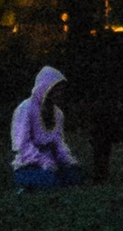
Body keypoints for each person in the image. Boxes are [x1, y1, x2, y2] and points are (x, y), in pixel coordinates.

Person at [10, 61, 84, 191]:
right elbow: (22, 144)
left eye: (61, 90)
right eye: (56, 90)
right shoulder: (25, 109)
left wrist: (68, 161)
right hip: (28, 165)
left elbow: (58, 143)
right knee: (50, 181)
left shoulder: (57, 113)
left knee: (74, 177)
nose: (59, 94)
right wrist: (43, 161)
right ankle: (27, 186)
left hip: (52, 164)